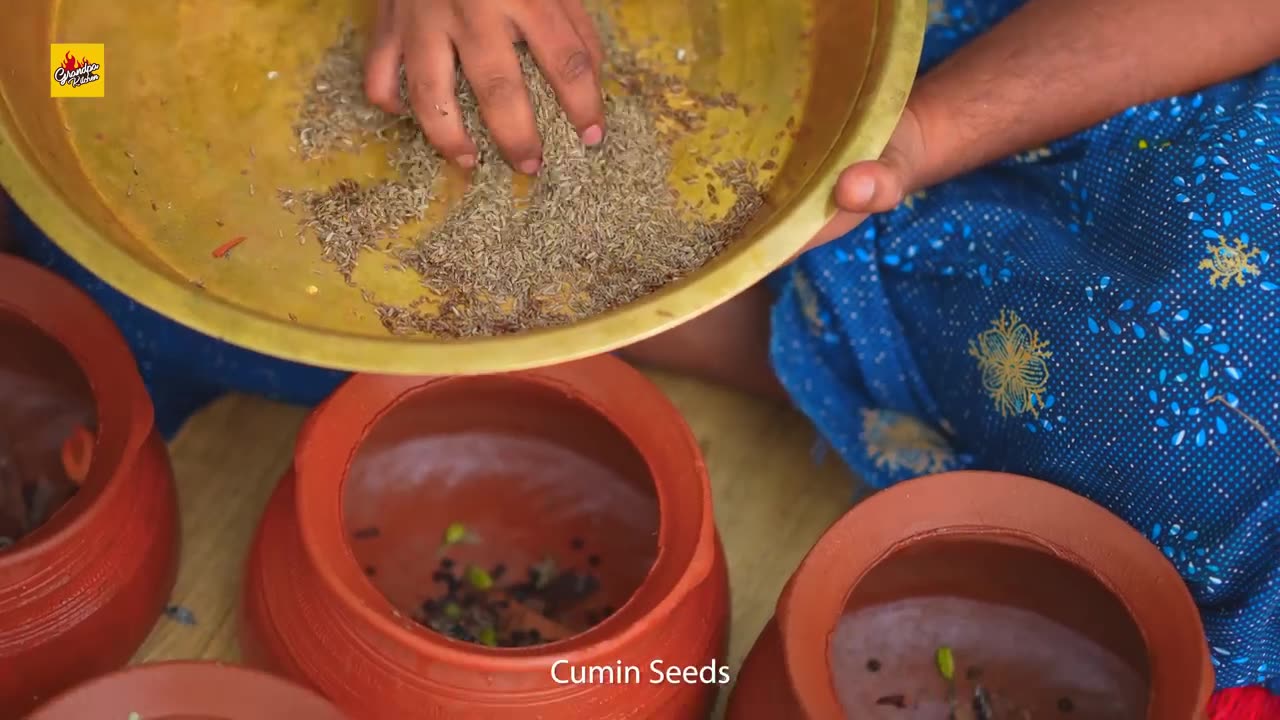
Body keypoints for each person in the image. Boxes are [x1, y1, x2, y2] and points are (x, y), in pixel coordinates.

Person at [371, 0, 1280, 703]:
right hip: (971, 73)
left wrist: (604, 303)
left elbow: (843, 373)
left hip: (846, 304)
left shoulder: (1212, 621)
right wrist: (929, 133)